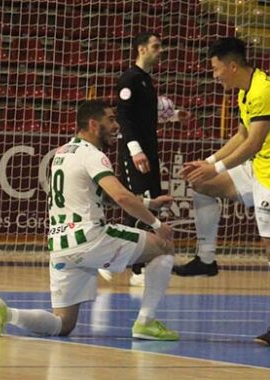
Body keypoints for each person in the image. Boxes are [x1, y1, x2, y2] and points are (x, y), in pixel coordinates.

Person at [0, 99, 179, 341]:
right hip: (90, 237)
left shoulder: (63, 153)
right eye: (111, 119)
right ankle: (145, 323)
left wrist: (149, 203)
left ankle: (7, 313)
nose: (116, 125)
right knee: (164, 248)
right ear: (94, 124)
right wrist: (158, 225)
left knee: (63, 324)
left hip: (60, 244)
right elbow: (120, 196)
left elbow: (101, 196)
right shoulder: (92, 154)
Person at [178, 37, 270, 346]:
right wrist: (209, 162)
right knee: (201, 184)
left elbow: (254, 143)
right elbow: (242, 134)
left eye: (215, 69)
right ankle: (206, 259)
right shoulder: (245, 92)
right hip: (260, 168)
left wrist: (219, 168)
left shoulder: (264, 92)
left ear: (232, 65)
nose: (214, 75)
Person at [102, 32, 190, 287]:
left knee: (149, 205)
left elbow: (146, 116)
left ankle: (121, 262)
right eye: (156, 46)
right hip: (135, 151)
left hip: (149, 150)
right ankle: (131, 267)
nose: (160, 50)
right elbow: (126, 118)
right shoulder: (129, 79)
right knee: (139, 205)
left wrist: (174, 117)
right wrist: (135, 150)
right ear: (141, 49)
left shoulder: (146, 81)